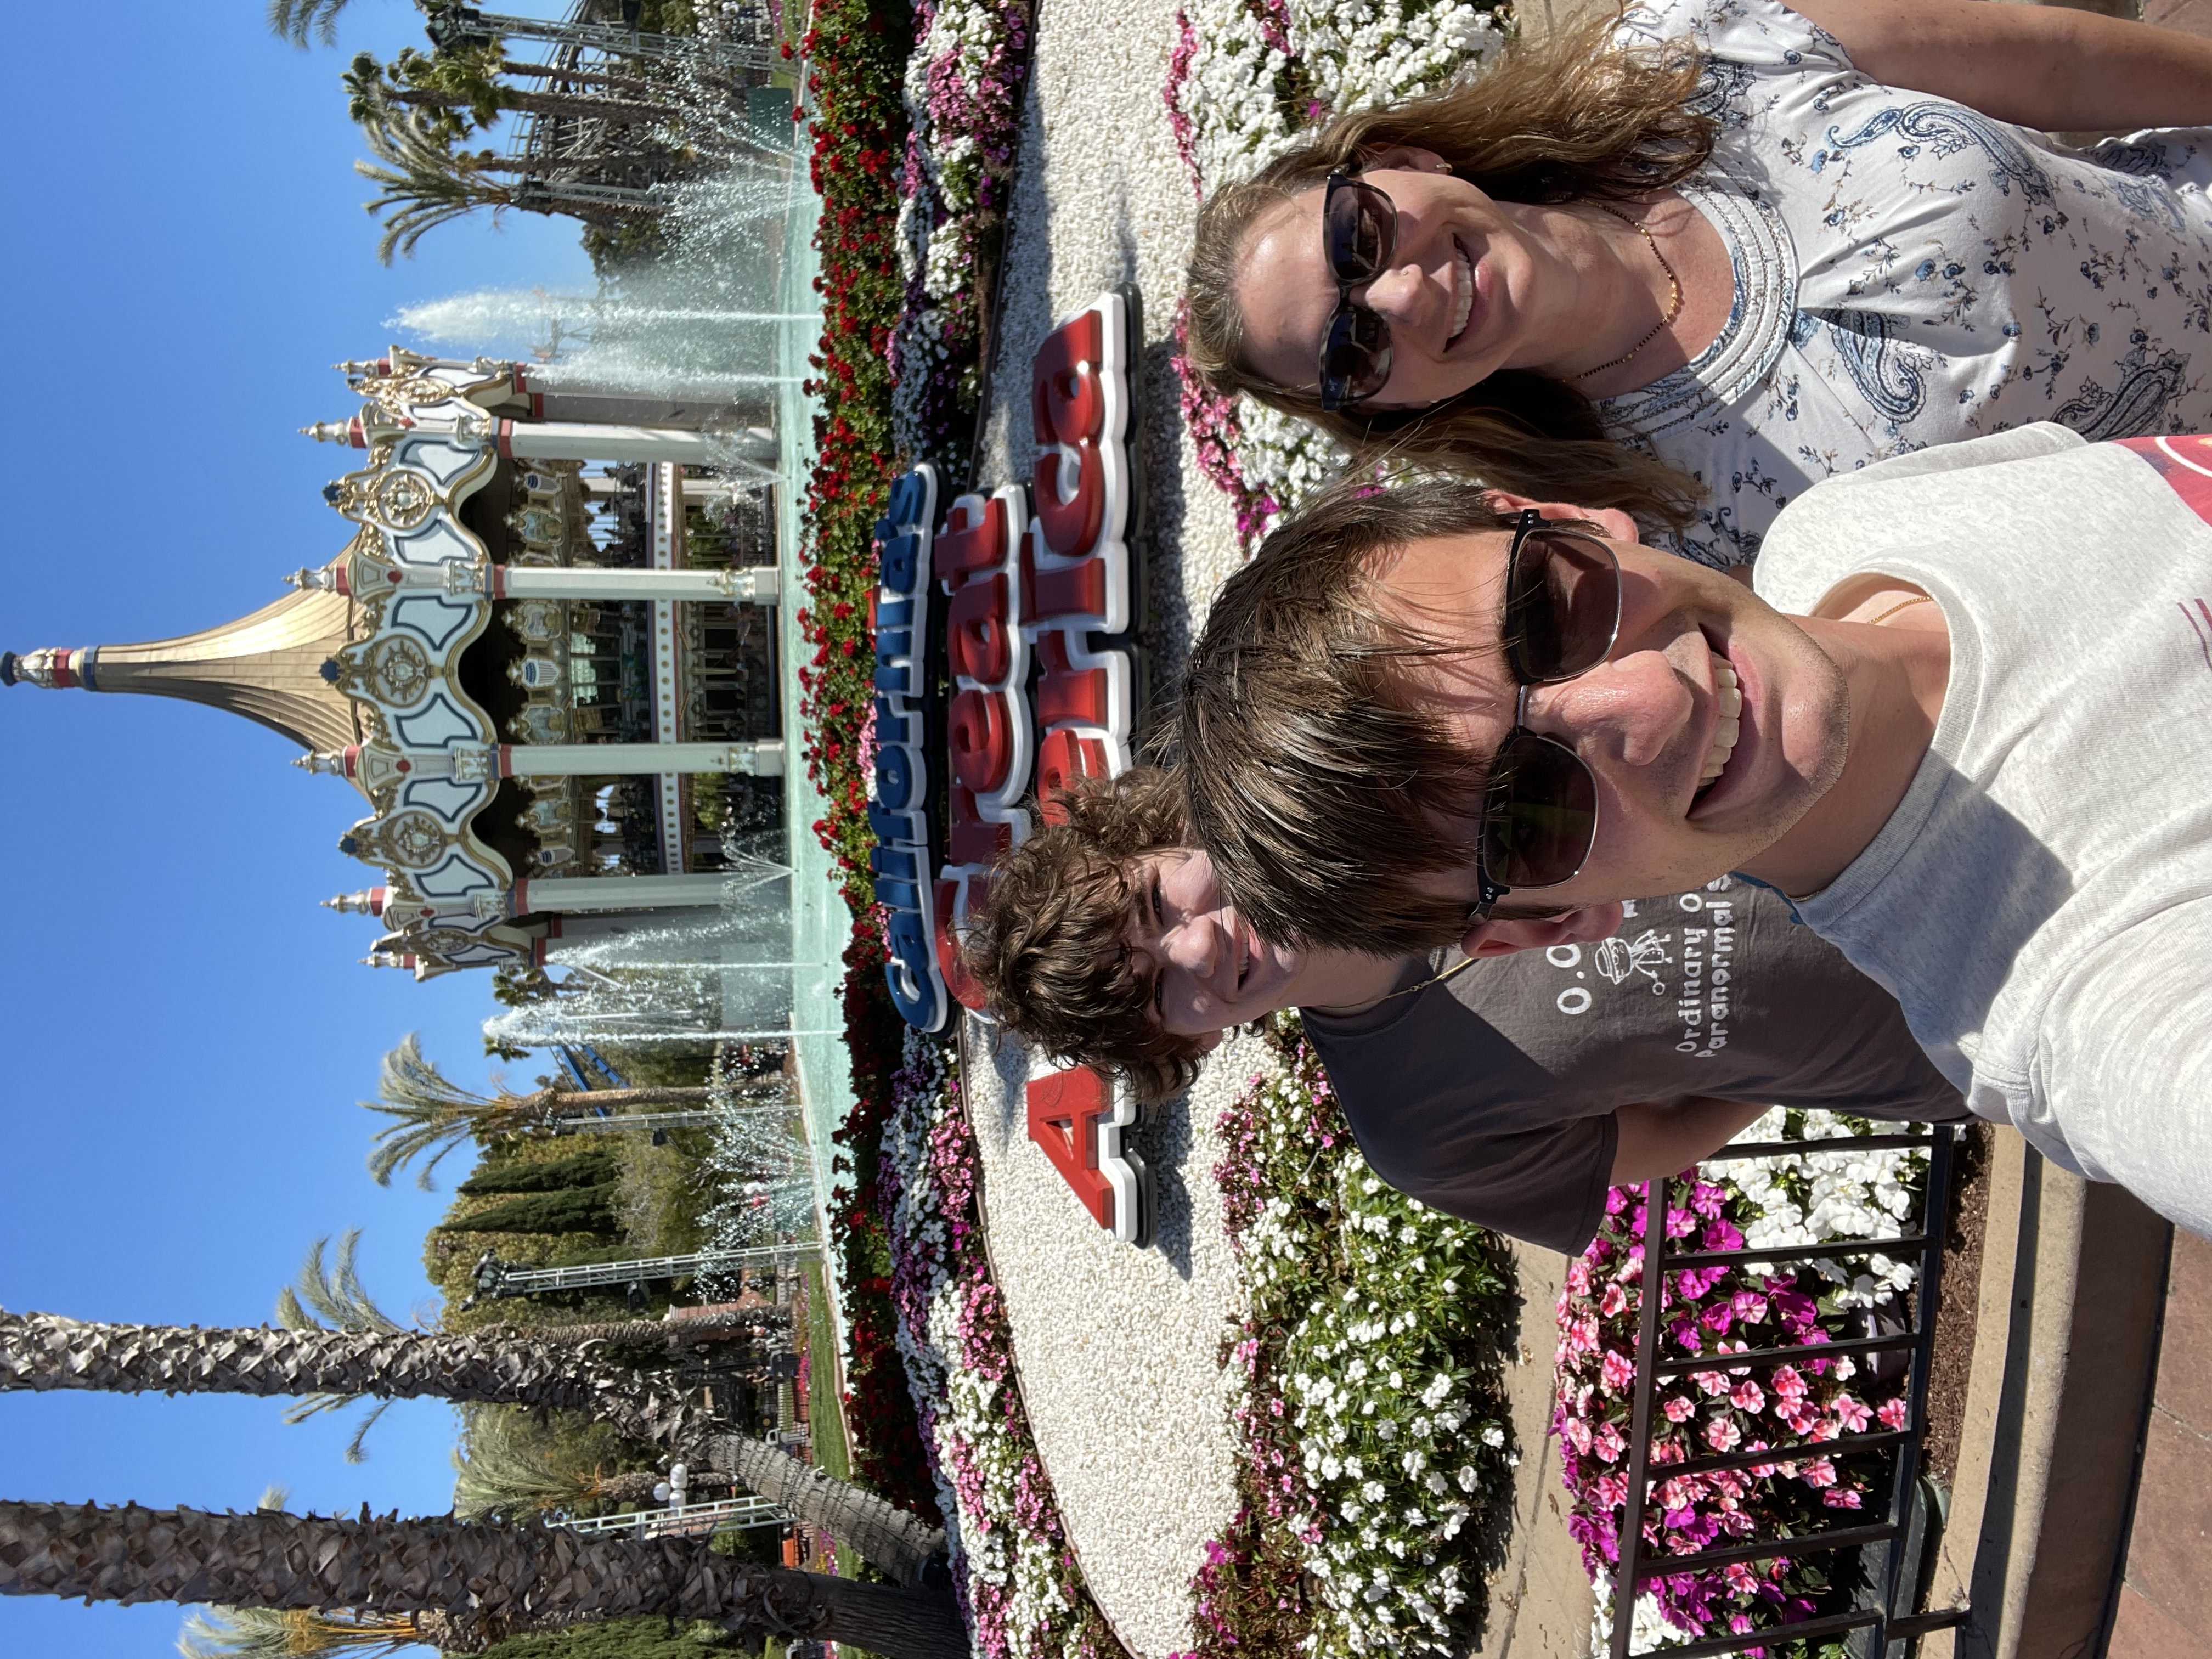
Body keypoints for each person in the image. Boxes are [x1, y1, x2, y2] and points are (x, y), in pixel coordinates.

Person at [1176, 430, 2212, 1236]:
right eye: (1527, 819)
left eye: (1547, 609)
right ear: (1547, 927)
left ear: (1561, 514)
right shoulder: (2088, 1020)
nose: (1647, 700)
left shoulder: (1843, 532)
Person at [1183, 0, 2212, 566]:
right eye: (1351, 352)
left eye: (1357, 238)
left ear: (1411, 157)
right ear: (1391, 409)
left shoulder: (1678, 62)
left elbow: (2053, 62)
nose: (1402, 298)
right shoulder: (1644, 529)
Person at [963, 766, 1963, 1255]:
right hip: (1961, 1039)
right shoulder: (1416, 1130)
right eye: (1154, 989)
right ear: (1173, 1039)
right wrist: (1798, 1049)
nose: (1196, 944)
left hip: (1935, 815)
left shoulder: (1404, 777)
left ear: (1166, 838)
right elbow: (1663, 1139)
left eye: (1152, 901)